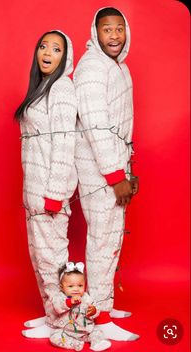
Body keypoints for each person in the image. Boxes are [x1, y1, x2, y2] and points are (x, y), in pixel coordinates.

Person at [73, 7, 139, 341]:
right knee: (102, 241)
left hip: (116, 164)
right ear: (94, 32)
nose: (114, 35)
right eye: (106, 29)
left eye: (119, 29)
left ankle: (105, 304)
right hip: (100, 169)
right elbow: (96, 126)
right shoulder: (92, 69)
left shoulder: (117, 67)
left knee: (111, 238)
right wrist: (115, 176)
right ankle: (98, 319)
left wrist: (123, 168)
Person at [15, 30, 78, 338]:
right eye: (43, 46)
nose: (47, 53)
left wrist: (55, 193)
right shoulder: (42, 88)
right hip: (34, 191)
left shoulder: (63, 88)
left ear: (65, 56)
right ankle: (51, 315)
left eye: (56, 48)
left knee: (53, 258)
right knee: (41, 256)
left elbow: (66, 143)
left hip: (49, 193)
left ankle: (66, 323)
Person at [50, 262, 111, 351]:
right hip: (66, 330)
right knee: (54, 336)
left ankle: (98, 343)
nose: (76, 289)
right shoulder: (60, 297)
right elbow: (57, 307)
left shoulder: (86, 297)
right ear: (62, 287)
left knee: (97, 332)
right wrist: (69, 302)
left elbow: (95, 307)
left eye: (80, 285)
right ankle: (75, 344)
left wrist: (93, 311)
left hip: (85, 331)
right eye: (70, 286)